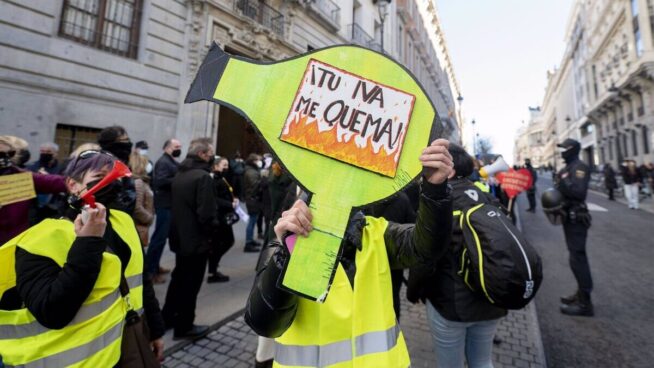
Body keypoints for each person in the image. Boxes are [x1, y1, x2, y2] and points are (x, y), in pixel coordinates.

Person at [245, 139, 454, 367]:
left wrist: (435, 189)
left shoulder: (375, 232)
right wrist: (284, 255)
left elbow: (426, 246)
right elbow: (265, 323)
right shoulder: (289, 240)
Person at [0, 150, 164, 366]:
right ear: (73, 185)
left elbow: (141, 281)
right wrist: (88, 240)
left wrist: (155, 329)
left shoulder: (123, 221)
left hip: (130, 343)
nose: (111, 185)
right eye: (100, 178)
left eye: (115, 178)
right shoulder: (40, 239)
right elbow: (51, 312)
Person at [407, 143, 507, 368]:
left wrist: (413, 292)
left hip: (451, 304)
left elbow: (425, 256)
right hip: (492, 300)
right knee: (482, 361)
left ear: (448, 170)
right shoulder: (485, 196)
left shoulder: (440, 204)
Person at [162, 138, 216, 339]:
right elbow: (207, 214)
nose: (212, 156)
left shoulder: (181, 174)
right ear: (202, 154)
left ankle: (167, 317)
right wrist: (210, 236)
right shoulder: (203, 177)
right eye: (210, 153)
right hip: (196, 241)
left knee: (178, 280)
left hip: (180, 239)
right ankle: (184, 326)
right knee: (190, 284)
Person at [0, 137, 66, 245]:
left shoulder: (21, 177)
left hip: (13, 241)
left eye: (8, 154)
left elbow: (56, 182)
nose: (3, 158)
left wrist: (85, 179)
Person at [556, 138, 594, 317]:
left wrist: (563, 180)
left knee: (578, 258)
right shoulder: (567, 168)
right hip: (568, 216)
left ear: (572, 149)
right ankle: (580, 294)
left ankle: (585, 304)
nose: (562, 151)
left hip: (576, 217)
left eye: (564, 148)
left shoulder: (579, 167)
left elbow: (578, 192)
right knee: (574, 257)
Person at [366, 191, 416, 321]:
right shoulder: (402, 199)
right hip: (392, 266)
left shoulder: (363, 196)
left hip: (365, 262)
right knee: (391, 300)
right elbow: (412, 233)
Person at [146, 138, 182, 283]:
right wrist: (179, 179)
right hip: (164, 204)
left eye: (180, 146)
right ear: (167, 147)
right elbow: (160, 181)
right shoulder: (163, 162)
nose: (179, 148)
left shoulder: (171, 161)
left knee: (161, 238)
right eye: (176, 146)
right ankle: (150, 271)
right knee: (159, 238)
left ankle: (155, 266)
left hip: (169, 204)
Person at [208, 156, 238, 283]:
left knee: (225, 242)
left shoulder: (221, 178)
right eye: (223, 165)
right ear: (215, 166)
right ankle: (213, 267)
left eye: (227, 165)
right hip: (220, 217)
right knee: (225, 242)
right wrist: (229, 204)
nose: (226, 168)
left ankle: (213, 266)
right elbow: (215, 199)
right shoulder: (214, 179)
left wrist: (233, 199)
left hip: (225, 216)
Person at [97, 125, 137, 214]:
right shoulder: (107, 163)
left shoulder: (121, 162)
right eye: (125, 140)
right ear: (112, 143)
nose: (129, 143)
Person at [130, 153, 155, 247]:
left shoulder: (143, 181)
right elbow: (137, 207)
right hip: (139, 227)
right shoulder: (138, 182)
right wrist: (149, 218)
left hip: (142, 227)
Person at [243, 153, 264, 252]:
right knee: (252, 221)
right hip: (252, 199)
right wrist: (263, 180)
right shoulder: (251, 171)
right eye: (257, 160)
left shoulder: (252, 170)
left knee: (253, 220)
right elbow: (255, 186)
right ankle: (248, 243)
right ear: (253, 161)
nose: (259, 162)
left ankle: (250, 240)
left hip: (252, 199)